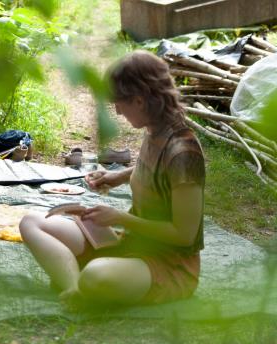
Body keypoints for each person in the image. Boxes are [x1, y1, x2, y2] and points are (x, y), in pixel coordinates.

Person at [19, 50, 205, 305]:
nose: (117, 111)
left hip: (168, 263)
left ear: (139, 101)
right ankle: (75, 289)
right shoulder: (155, 130)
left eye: (119, 102)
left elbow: (183, 235)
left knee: (96, 275)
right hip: (133, 244)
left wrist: (120, 218)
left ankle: (85, 283)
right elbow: (153, 170)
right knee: (31, 223)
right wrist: (117, 176)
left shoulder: (184, 153)